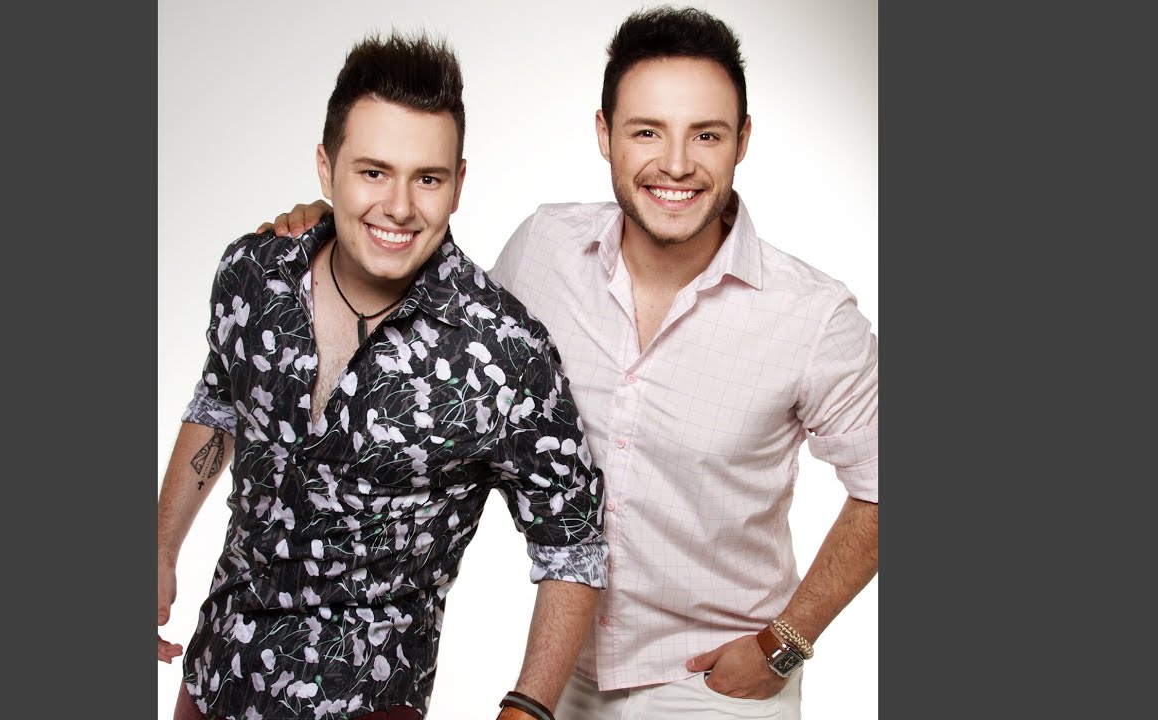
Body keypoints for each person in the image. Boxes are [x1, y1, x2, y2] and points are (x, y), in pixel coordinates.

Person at [257, 6, 878, 719]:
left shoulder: (811, 315)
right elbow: (438, 327)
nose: (677, 163)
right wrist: (336, 224)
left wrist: (786, 641)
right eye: (647, 131)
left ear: (742, 140)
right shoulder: (544, 249)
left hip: (713, 682)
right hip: (562, 671)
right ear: (604, 134)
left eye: (706, 134)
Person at [157, 32, 609, 720]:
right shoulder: (254, 275)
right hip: (216, 675)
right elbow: (219, 402)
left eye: (427, 178)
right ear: (326, 167)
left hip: (366, 701)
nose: (399, 207)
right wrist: (161, 548)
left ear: (458, 183)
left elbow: (572, 543)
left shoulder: (504, 353)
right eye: (373, 172)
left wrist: (528, 708)